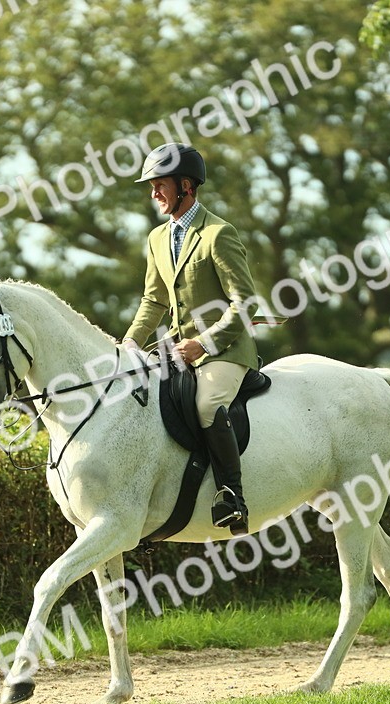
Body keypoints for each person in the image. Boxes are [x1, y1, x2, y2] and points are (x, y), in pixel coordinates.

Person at [123, 142, 260, 535]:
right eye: (151, 187)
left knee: (206, 405)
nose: (154, 195)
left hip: (226, 351)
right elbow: (154, 299)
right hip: (179, 351)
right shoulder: (155, 239)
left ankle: (233, 496)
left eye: (159, 185)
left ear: (186, 186)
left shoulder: (218, 233)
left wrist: (205, 343)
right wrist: (131, 342)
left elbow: (245, 302)